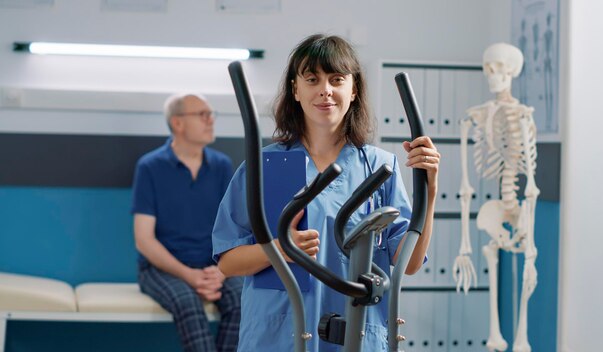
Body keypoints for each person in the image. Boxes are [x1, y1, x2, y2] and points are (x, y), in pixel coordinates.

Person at [212, 34, 439, 352]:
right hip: (279, 335)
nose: (325, 90)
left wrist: (429, 192)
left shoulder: (379, 166)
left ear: (353, 89)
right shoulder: (264, 166)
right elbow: (228, 261)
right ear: (296, 89)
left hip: (355, 331)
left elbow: (409, 262)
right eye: (312, 79)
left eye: (336, 79)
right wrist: (282, 249)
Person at [131, 93, 243, 352]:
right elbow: (144, 240)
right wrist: (190, 276)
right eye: (202, 115)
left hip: (213, 266)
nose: (211, 120)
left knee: (242, 301)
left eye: (211, 114)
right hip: (162, 269)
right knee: (188, 305)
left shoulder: (221, 166)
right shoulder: (150, 167)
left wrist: (222, 270)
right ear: (178, 123)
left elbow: (234, 228)